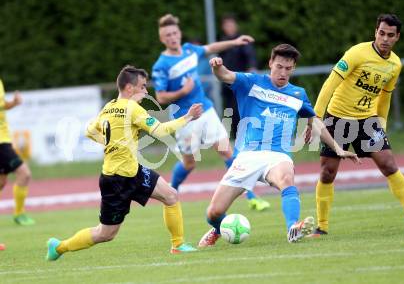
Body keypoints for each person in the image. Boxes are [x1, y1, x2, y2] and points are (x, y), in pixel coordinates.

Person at [198, 44, 359, 247]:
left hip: (278, 155)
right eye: (279, 66)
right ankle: (218, 228)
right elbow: (225, 75)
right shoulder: (252, 82)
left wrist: (337, 148)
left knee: (286, 179)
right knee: (213, 213)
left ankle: (293, 228)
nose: (283, 72)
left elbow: (314, 121)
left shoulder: (298, 94)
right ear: (270, 63)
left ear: (293, 69)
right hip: (247, 155)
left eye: (288, 68)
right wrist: (216, 66)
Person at [46, 66, 203, 261]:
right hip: (116, 180)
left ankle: (178, 245)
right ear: (129, 88)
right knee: (105, 234)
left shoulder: (109, 106)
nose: (146, 92)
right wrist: (188, 117)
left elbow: (89, 130)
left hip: (133, 171)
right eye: (143, 87)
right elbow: (161, 131)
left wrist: (110, 143)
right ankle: (59, 247)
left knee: (170, 195)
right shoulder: (132, 108)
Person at [309, 14, 404, 237]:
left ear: (397, 37)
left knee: (388, 164)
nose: (385, 38)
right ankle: (322, 227)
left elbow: (385, 97)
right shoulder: (356, 53)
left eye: (390, 35)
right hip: (337, 119)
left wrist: (381, 124)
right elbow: (330, 83)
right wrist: (316, 116)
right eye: (381, 33)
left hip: (367, 122)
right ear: (375, 31)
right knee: (328, 172)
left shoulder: (395, 64)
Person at [152, 14, 270, 211]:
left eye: (174, 33)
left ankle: (251, 196)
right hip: (185, 118)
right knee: (189, 163)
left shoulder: (190, 50)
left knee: (226, 151)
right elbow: (161, 97)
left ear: (179, 33)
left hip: (206, 111)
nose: (172, 37)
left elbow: (211, 48)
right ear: (162, 39)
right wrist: (183, 91)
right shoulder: (161, 65)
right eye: (167, 35)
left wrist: (234, 41)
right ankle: (171, 192)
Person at [0, 78, 35, 226]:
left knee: (1, 182)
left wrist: (13, 102)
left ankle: (19, 213)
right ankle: (19, 214)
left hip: (4, 138)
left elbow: (3, 105)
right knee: (24, 173)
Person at [219, 14, 257, 139]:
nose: (229, 27)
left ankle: (247, 136)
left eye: (231, 24)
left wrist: (251, 73)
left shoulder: (242, 42)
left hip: (240, 83)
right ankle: (235, 138)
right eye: (227, 25)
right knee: (230, 111)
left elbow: (251, 59)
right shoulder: (223, 43)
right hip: (226, 85)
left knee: (242, 110)